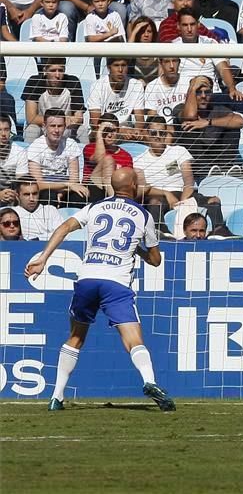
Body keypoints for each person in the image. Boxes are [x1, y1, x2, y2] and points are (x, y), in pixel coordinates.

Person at [25, 167, 175, 412]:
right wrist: (137, 249)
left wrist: (43, 259)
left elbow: (63, 227)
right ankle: (150, 382)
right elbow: (156, 260)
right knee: (133, 339)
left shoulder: (96, 206)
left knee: (75, 337)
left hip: (87, 278)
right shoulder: (143, 215)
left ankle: (56, 396)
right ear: (134, 186)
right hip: (116, 282)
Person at [133, 116, 236, 238]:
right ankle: (160, 231)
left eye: (162, 133)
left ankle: (218, 230)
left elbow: (188, 182)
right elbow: (143, 188)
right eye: (153, 133)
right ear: (146, 134)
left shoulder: (178, 151)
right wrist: (166, 193)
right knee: (155, 203)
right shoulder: (138, 161)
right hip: (158, 194)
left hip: (184, 193)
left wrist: (183, 201)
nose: (158, 136)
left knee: (214, 200)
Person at [175, 76, 243, 181]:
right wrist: (192, 88)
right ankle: (205, 170)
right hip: (195, 162)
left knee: (232, 125)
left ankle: (227, 168)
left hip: (217, 161)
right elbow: (190, 116)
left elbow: (240, 121)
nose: (203, 96)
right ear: (191, 93)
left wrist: (208, 122)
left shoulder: (217, 109)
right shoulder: (180, 108)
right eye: (199, 92)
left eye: (207, 92)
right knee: (189, 125)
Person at [171, 8, 243, 100]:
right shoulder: (173, 47)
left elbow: (223, 68)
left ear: (198, 25)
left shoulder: (210, 43)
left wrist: (232, 89)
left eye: (192, 24)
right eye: (185, 25)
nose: (189, 29)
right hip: (185, 97)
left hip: (213, 95)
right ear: (178, 26)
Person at [27, 110, 91, 207]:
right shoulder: (36, 147)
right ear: (44, 127)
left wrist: (62, 191)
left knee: (81, 196)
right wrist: (66, 185)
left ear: (65, 127)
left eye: (60, 126)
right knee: (49, 196)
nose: (56, 130)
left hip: (66, 189)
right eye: (53, 126)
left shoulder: (70, 144)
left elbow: (75, 180)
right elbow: (38, 184)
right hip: (46, 190)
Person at [21, 57, 86, 144]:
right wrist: (58, 120)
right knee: (31, 130)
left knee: (82, 130)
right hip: (42, 126)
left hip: (65, 127)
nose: (57, 75)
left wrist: (63, 123)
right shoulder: (34, 82)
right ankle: (27, 156)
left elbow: (79, 117)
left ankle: (86, 157)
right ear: (45, 70)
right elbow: (31, 118)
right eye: (53, 70)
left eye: (60, 70)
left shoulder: (73, 82)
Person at [86, 56, 145, 141]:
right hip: (103, 132)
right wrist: (120, 130)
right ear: (109, 67)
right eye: (116, 65)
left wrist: (136, 132)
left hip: (128, 133)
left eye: (123, 65)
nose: (120, 70)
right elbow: (96, 123)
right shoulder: (97, 86)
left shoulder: (136, 85)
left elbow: (140, 121)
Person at [83, 114, 134, 196]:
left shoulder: (126, 156)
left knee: (138, 173)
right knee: (108, 160)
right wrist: (99, 133)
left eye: (113, 131)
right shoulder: (90, 148)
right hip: (92, 190)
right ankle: (114, 200)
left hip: (118, 190)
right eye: (106, 131)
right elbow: (100, 158)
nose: (109, 135)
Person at [157, 0, 223, 43]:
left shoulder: (197, 23)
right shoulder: (167, 25)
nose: (185, 3)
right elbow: (168, 50)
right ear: (173, 3)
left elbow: (215, 42)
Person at [144, 57, 184, 124]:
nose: (171, 66)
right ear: (161, 64)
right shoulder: (152, 87)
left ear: (179, 63)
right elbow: (152, 117)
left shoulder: (188, 82)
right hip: (162, 130)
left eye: (174, 61)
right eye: (167, 61)